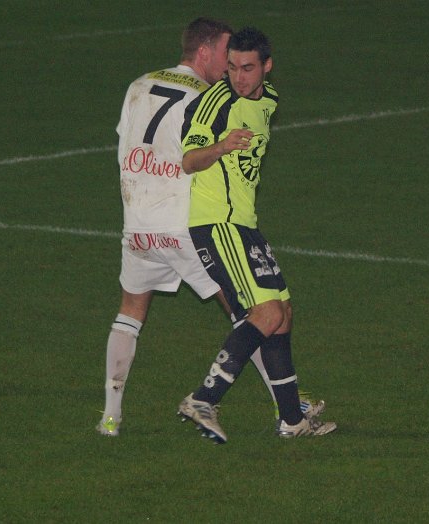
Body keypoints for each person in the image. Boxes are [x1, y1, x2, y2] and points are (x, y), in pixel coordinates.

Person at [97, 19, 324, 437]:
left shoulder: (139, 84)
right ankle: (273, 404)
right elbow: (192, 157)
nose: (230, 67)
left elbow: (128, 142)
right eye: (225, 55)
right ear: (204, 52)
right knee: (254, 312)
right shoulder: (209, 96)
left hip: (138, 221)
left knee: (129, 312)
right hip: (188, 222)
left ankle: (110, 417)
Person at [176, 27, 337, 443]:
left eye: (247, 68)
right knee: (265, 314)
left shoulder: (269, 100)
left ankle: (292, 420)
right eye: (231, 67)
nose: (238, 77)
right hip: (217, 222)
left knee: (282, 314)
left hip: (245, 223)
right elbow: (189, 161)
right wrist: (222, 146)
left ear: (267, 66)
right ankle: (203, 399)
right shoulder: (215, 103)